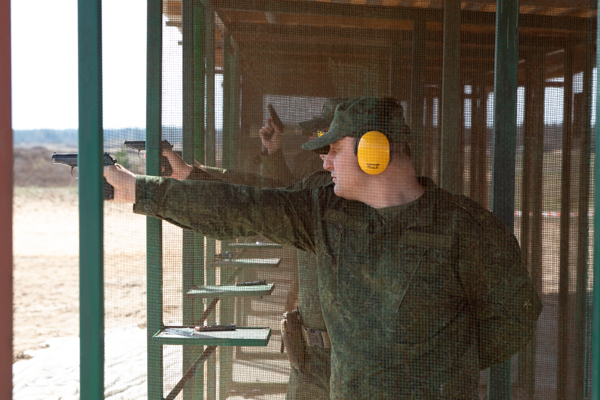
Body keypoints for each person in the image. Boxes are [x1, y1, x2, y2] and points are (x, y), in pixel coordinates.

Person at [106, 97, 542, 399]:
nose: (324, 160)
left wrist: (438, 363)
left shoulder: (467, 227)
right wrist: (138, 191)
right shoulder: (323, 211)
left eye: (334, 149)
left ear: (375, 151)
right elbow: (245, 206)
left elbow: (512, 319)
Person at [162, 98, 352, 400]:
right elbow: (272, 191)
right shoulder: (326, 180)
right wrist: (194, 175)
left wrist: (191, 177)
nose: (321, 151)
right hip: (315, 357)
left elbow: (268, 194)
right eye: (318, 137)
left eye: (327, 137)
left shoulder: (339, 190)